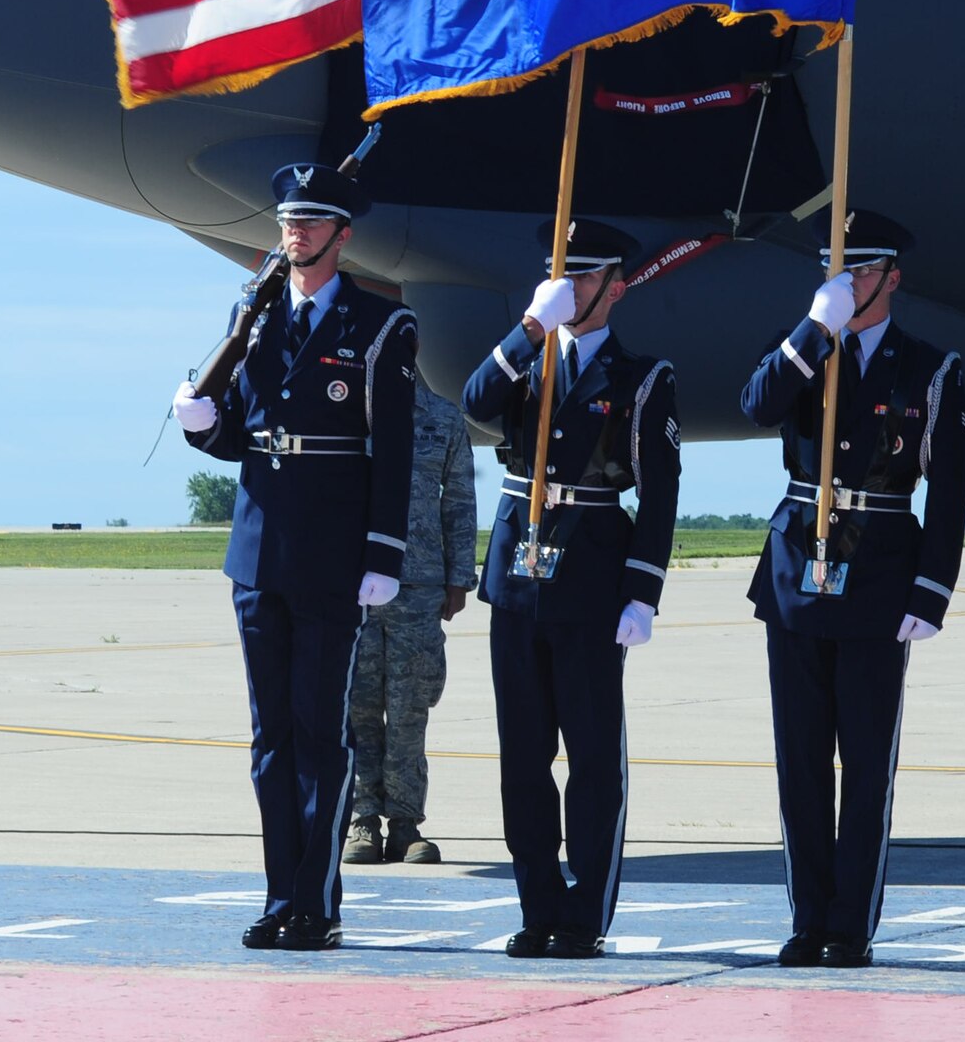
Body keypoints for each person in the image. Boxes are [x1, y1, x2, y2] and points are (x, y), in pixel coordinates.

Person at [173, 162, 416, 952]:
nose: (296, 233)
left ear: (342, 236)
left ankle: (316, 902)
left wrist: (384, 551)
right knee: (269, 738)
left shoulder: (381, 328)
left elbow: (396, 451)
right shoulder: (255, 314)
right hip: (257, 549)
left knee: (320, 735)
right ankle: (280, 896)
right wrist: (199, 422)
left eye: (313, 223)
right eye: (288, 220)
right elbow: (237, 431)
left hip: (333, 554)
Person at [739, 209, 965, 970]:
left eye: (864, 270)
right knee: (799, 761)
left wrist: (931, 590)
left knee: (865, 763)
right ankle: (809, 919)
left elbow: (952, 490)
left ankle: (851, 923)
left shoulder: (929, 368)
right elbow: (757, 405)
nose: (850, 283)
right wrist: (813, 331)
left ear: (893, 277)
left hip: (878, 576)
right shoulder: (804, 347)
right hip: (796, 575)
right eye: (839, 270)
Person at [462, 218, 679, 959]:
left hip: (590, 577)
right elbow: (476, 400)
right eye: (564, 275)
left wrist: (642, 593)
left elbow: (660, 494)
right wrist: (529, 327)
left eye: (586, 277)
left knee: (590, 757)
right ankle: (537, 907)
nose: (572, 288)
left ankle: (584, 914)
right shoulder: (528, 358)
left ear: (616, 287)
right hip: (517, 576)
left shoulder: (643, 378)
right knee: (523, 756)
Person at [343, 379, 478, 866]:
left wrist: (460, 575)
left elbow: (459, 496)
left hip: (419, 586)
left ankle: (404, 822)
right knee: (357, 704)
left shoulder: (442, 417)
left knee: (410, 707)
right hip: (352, 582)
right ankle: (361, 819)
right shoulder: (348, 407)